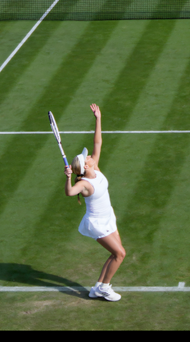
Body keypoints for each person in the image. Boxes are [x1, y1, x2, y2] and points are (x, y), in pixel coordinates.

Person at [62, 103, 125, 302]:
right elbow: (70, 193)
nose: (89, 155)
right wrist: (67, 177)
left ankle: (98, 287)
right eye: (86, 157)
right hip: (97, 223)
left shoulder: (94, 166)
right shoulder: (84, 184)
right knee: (120, 254)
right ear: (85, 165)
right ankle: (104, 288)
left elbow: (97, 143)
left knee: (116, 253)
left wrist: (98, 118)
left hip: (108, 216)